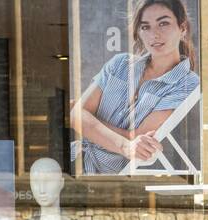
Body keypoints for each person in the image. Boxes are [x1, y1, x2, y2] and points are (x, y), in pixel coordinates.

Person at [70, 1, 200, 174]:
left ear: (182, 28)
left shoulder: (187, 83)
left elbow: (141, 139)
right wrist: (125, 144)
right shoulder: (120, 64)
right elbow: (76, 116)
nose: (154, 34)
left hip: (108, 180)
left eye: (163, 23)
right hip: (72, 161)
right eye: (146, 27)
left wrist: (89, 121)